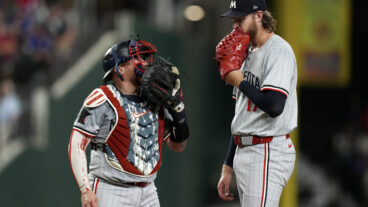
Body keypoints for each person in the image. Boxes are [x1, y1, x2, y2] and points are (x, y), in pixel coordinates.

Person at [68, 36, 189, 207]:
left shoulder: (155, 96)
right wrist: (85, 189)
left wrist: (178, 110)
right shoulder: (103, 98)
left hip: (148, 190)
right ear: (120, 69)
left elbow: (178, 146)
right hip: (111, 189)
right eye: (135, 58)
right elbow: (76, 144)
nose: (145, 63)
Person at [215, 0, 297, 206]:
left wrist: (240, 81)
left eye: (240, 18)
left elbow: (275, 106)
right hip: (247, 149)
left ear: (259, 16)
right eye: (233, 19)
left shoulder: (279, 51)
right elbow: (241, 117)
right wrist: (228, 166)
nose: (235, 25)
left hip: (267, 149)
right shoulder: (245, 54)